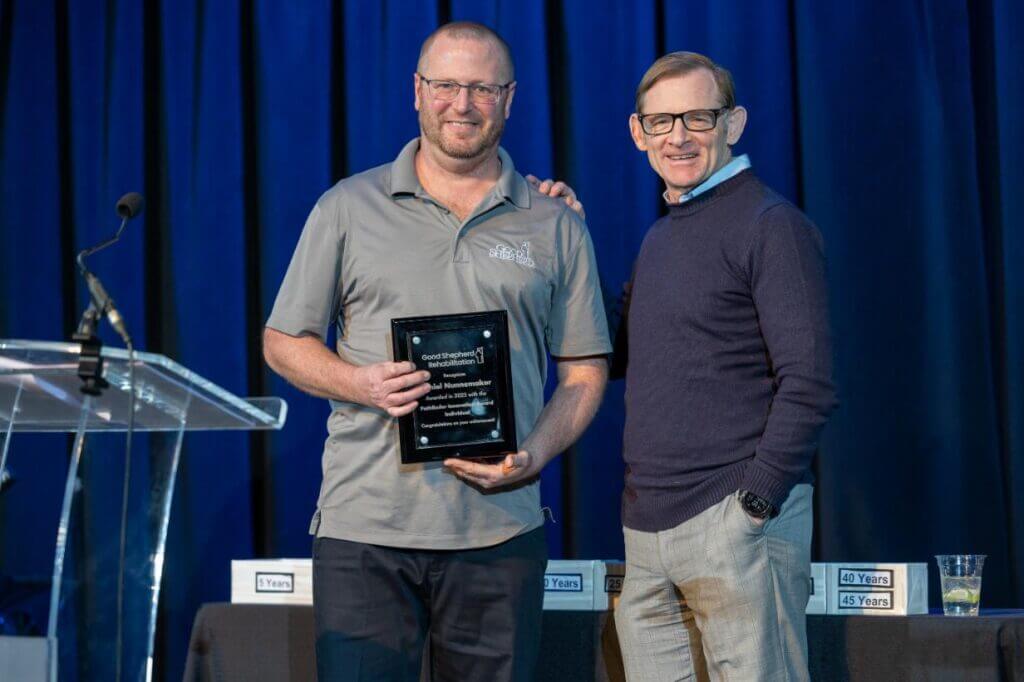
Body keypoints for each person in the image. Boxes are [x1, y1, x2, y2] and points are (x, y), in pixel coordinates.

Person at [262, 21, 610, 682]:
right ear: (417, 91)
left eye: (482, 88)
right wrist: (359, 383)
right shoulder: (346, 207)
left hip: (501, 532)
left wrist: (535, 454)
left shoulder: (555, 222)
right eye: (446, 85)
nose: (463, 104)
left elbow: (585, 370)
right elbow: (282, 342)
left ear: (509, 99)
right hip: (365, 531)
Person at [612, 51, 838, 681]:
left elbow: (810, 384)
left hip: (733, 520)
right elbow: (615, 349)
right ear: (638, 133)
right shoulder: (660, 237)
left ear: (732, 123)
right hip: (646, 533)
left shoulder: (772, 226)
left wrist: (755, 504)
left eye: (698, 118)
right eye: (661, 121)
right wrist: (559, 238)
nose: (678, 136)